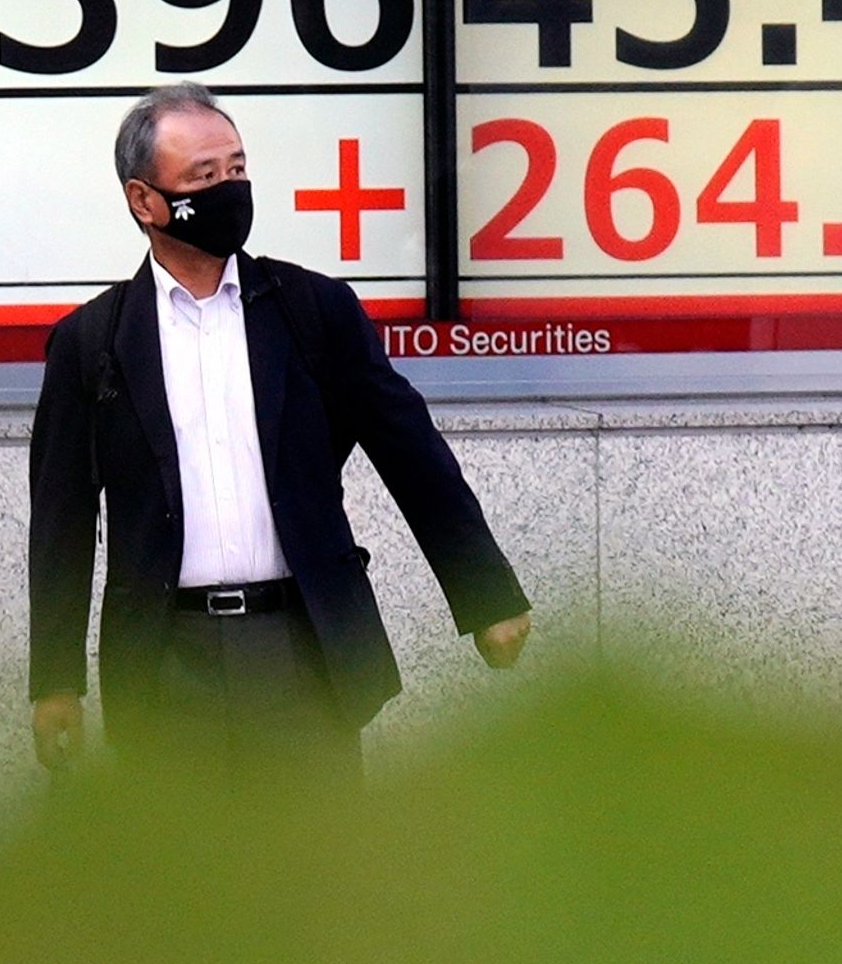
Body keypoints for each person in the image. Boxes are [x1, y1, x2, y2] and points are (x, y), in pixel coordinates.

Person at [27, 83, 530, 776]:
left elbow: (409, 449)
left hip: (306, 652)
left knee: (320, 874)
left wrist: (486, 595)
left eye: (236, 169)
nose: (229, 190)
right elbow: (62, 516)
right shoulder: (93, 342)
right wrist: (55, 681)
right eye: (204, 177)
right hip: (165, 664)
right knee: (180, 878)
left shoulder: (312, 311)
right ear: (145, 201)